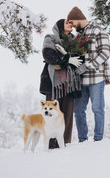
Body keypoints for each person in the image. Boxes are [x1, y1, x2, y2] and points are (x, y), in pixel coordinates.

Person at [66, 6, 110, 142]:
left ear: (77, 19)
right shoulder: (78, 37)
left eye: (72, 23)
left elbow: (105, 53)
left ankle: (98, 139)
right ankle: (82, 140)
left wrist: (87, 65)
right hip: (81, 80)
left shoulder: (98, 31)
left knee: (97, 108)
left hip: (97, 77)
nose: (72, 27)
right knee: (78, 110)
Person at [39, 19, 83, 148]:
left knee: (67, 116)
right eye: (67, 23)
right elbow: (48, 55)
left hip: (70, 84)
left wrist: (63, 59)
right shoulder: (50, 38)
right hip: (53, 84)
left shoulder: (75, 42)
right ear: (59, 26)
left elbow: (80, 59)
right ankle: (51, 145)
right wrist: (67, 59)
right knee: (51, 114)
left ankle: (65, 144)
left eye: (71, 23)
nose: (71, 25)